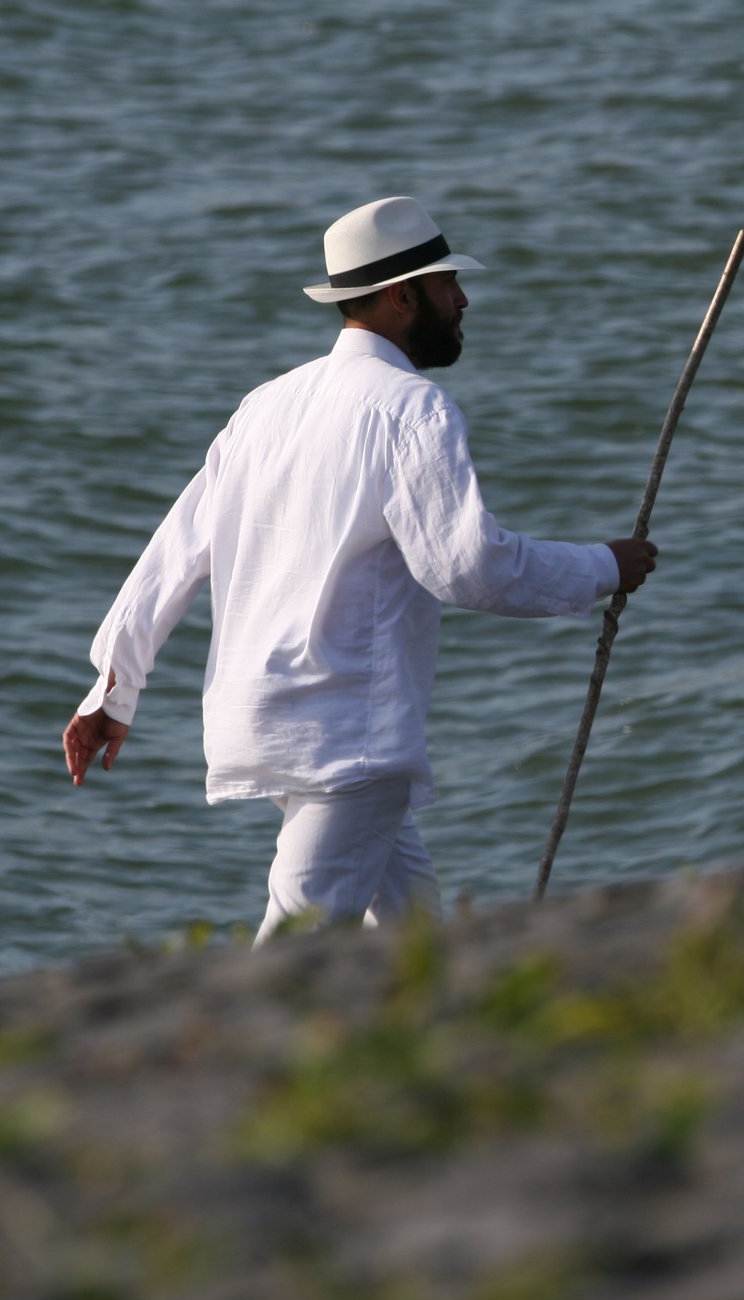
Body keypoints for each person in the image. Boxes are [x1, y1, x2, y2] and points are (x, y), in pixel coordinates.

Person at [61, 196, 656, 944]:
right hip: (348, 737)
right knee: (295, 947)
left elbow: (175, 549)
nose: (464, 299)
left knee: (409, 933)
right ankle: (241, 1059)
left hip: (268, 716)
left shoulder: (265, 406)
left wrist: (114, 686)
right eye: (447, 285)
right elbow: (468, 567)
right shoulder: (412, 409)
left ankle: (429, 1044)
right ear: (403, 296)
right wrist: (604, 566)